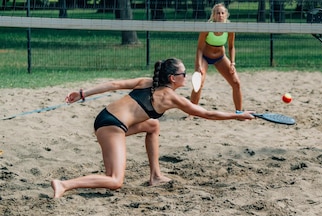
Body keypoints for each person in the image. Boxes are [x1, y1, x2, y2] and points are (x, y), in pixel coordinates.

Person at [51, 58, 255, 198]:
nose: (186, 76)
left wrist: (83, 93)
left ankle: (155, 176)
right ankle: (64, 184)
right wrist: (236, 116)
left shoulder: (148, 82)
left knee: (152, 125)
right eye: (183, 73)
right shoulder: (171, 97)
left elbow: (114, 84)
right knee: (115, 181)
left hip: (106, 118)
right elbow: (206, 113)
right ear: (173, 78)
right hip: (112, 126)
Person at [191, 3, 243, 112]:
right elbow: (199, 48)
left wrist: (232, 63)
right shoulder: (207, 27)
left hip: (220, 57)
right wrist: (198, 65)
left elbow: (231, 47)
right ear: (213, 15)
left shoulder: (229, 28)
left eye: (222, 13)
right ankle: (192, 113)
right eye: (217, 13)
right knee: (198, 83)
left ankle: (239, 112)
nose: (220, 15)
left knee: (236, 82)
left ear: (226, 15)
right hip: (205, 56)